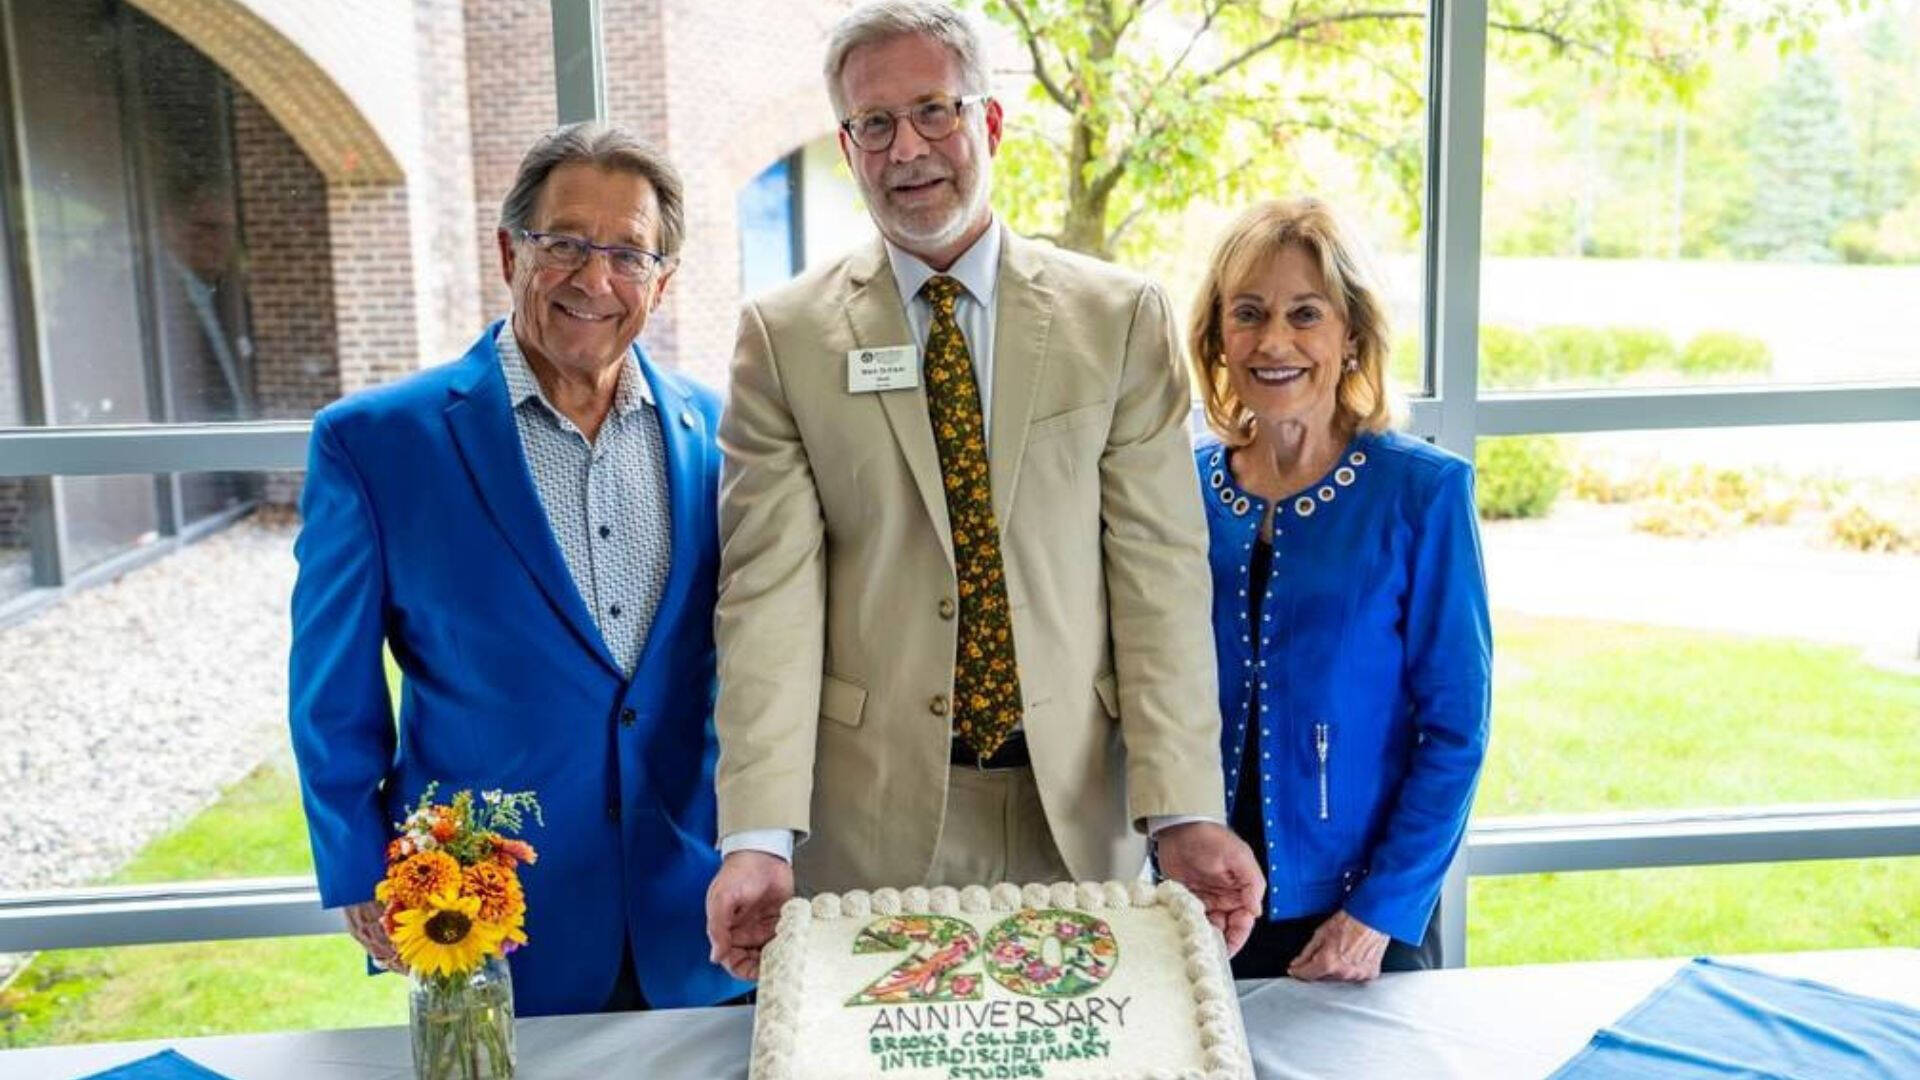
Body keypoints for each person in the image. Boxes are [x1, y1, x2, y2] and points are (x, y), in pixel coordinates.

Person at [704, 0, 1262, 982]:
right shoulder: (783, 339)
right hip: (871, 822)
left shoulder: (1118, 321)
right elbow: (767, 600)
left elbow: (1159, 582)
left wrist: (1185, 809)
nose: (908, 147)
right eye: (874, 124)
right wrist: (757, 832)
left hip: (1077, 807)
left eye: (934, 111)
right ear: (848, 147)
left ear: (989, 124)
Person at [289, 123, 747, 1014]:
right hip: (489, 915)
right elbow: (331, 685)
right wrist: (354, 863)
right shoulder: (376, 443)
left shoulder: (718, 432)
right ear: (509, 251)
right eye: (565, 244)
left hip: (695, 908)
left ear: (663, 279)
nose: (594, 278)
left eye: (627, 253)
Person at [1186, 197, 1491, 981]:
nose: (1274, 341)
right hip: (1201, 905)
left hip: (1360, 922)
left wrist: (1377, 913)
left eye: (1305, 314)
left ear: (1350, 335)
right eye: (1248, 314)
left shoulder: (1422, 494)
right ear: (1218, 338)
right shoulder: (1176, 490)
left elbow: (1457, 731)